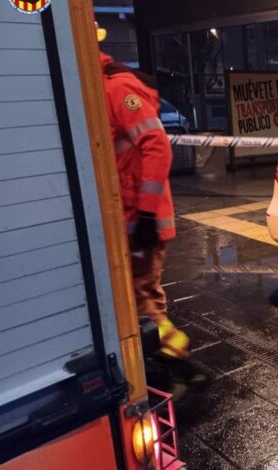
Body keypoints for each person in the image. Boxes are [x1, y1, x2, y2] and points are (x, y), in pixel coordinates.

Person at [97, 24, 203, 395]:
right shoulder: (103, 88)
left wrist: (144, 215)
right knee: (141, 296)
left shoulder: (115, 89)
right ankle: (171, 360)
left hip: (139, 219)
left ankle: (179, 361)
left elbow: (157, 146)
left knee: (142, 298)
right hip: (131, 217)